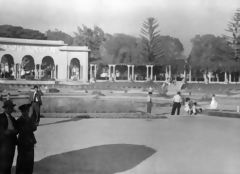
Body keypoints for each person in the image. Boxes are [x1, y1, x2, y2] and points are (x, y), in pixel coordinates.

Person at [16, 104, 37, 174]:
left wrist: (31, 121)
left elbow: (35, 128)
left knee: (30, 161)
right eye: (25, 111)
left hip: (30, 141)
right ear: (22, 112)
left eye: (27, 111)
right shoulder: (19, 120)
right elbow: (19, 130)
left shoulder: (30, 119)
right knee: (21, 160)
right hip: (22, 142)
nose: (27, 112)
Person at [0, 100, 18, 174]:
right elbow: (3, 131)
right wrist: (9, 132)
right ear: (6, 108)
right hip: (3, 144)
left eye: (12, 108)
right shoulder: (0, 117)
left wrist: (13, 131)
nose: (11, 109)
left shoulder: (12, 118)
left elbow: (17, 129)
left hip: (11, 144)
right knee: (3, 163)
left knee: (10, 161)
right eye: (10, 108)